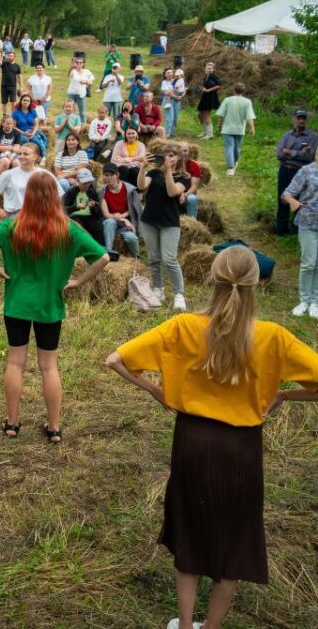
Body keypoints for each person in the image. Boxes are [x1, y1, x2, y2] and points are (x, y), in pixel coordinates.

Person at [103, 246, 318, 629]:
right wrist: (284, 394)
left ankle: (184, 625)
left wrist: (159, 392)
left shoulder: (183, 327)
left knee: (190, 529)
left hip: (193, 442)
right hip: (242, 450)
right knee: (233, 537)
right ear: (259, 284)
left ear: (210, 279)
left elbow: (116, 360)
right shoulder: (275, 338)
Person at [0, 173, 107, 442]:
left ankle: (12, 424)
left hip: (17, 305)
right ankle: (54, 427)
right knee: (49, 367)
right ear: (55, 196)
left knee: (15, 362)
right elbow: (103, 257)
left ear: (28, 196)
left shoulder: (12, 226)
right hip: (50, 305)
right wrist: (78, 281)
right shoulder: (68, 229)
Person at [139, 147, 190, 310]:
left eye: (172, 155)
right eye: (165, 155)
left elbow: (172, 192)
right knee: (153, 258)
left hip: (170, 223)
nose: (168, 158)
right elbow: (141, 186)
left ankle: (179, 294)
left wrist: (168, 171)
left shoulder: (184, 177)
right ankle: (158, 289)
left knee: (169, 259)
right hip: (149, 220)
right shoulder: (154, 173)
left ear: (179, 157)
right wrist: (142, 167)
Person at [282, 158, 318, 317]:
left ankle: (315, 302)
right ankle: (304, 301)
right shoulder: (307, 170)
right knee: (309, 263)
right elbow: (287, 193)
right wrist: (293, 202)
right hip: (308, 222)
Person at [275, 109, 318, 235]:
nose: (301, 120)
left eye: (303, 118)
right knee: (283, 198)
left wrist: (289, 151)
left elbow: (309, 157)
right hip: (284, 169)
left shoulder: (313, 136)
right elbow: (279, 153)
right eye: (299, 117)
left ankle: (296, 230)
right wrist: (299, 152)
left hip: (301, 171)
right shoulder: (287, 135)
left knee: (300, 200)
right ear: (293, 119)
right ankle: (281, 230)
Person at [0, 143, 51, 218]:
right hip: (14, 217)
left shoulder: (44, 174)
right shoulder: (9, 174)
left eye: (26, 154)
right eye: (20, 154)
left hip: (37, 216)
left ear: (35, 157)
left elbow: (57, 194)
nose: (21, 156)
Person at [100, 164, 142, 260]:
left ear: (117, 175)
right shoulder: (102, 191)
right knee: (109, 222)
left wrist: (124, 218)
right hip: (112, 221)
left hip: (126, 224)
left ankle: (136, 257)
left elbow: (134, 208)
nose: (109, 178)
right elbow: (106, 214)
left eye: (112, 175)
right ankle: (108, 252)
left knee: (131, 238)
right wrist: (123, 219)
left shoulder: (129, 190)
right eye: (106, 175)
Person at [216, 83, 256, 176]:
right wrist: (252, 127)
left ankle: (230, 167)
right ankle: (234, 163)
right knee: (237, 148)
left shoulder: (227, 100)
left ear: (234, 90)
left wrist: (219, 125)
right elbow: (249, 116)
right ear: (243, 91)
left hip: (227, 128)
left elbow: (221, 115)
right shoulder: (247, 101)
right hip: (240, 129)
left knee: (229, 147)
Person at [61, 167, 104, 246]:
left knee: (97, 227)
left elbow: (99, 214)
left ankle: (101, 249)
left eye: (89, 182)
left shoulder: (92, 192)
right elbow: (63, 209)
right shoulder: (71, 192)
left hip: (89, 217)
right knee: (77, 226)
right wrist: (76, 207)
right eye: (84, 183)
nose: (87, 185)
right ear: (77, 181)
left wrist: (94, 206)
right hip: (75, 217)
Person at [198, 61, 220, 140]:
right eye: (207, 68)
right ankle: (205, 131)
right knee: (200, 114)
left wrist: (208, 90)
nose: (209, 69)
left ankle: (210, 134)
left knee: (206, 115)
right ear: (205, 68)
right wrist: (203, 89)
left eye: (210, 68)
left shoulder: (212, 76)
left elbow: (218, 85)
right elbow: (206, 85)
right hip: (205, 97)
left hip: (210, 98)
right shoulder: (206, 76)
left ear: (213, 69)